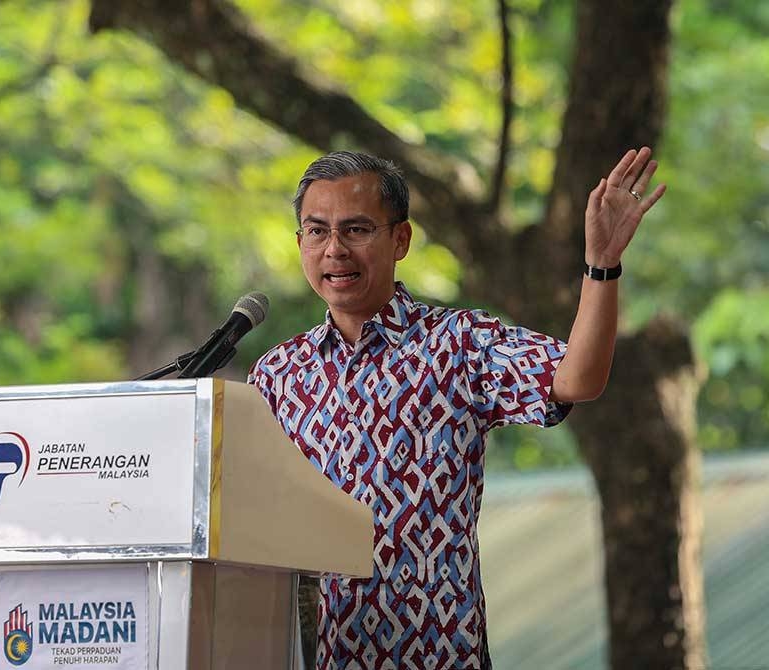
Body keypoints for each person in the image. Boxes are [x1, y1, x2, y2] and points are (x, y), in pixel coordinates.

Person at [247, 149, 665, 669]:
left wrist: (601, 266)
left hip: (438, 655)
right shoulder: (276, 375)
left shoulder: (458, 343)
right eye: (317, 231)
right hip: (318, 657)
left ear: (400, 239)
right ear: (299, 242)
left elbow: (576, 378)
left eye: (356, 229)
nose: (335, 249)